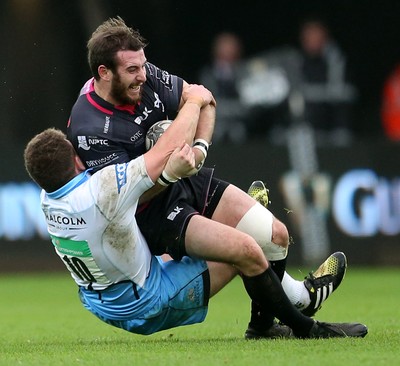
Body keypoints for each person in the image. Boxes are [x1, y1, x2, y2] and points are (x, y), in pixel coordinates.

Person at [67, 16, 348, 339]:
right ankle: (302, 308)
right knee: (247, 248)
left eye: (143, 66)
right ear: (103, 73)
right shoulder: (90, 129)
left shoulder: (144, 77)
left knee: (275, 235)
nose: (143, 76)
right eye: (132, 70)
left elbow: (204, 99)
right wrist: (174, 159)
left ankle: (264, 326)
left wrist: (199, 150)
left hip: (185, 177)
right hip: (151, 212)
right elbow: (126, 199)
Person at [23, 123, 368, 338]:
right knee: (248, 248)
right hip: (150, 303)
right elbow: (159, 160)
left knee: (234, 239)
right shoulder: (100, 192)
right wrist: (193, 100)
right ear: (76, 163)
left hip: (106, 298)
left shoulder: (48, 198)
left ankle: (266, 317)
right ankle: (304, 316)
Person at [297, 18, 357, 146]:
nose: (312, 41)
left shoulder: (336, 60)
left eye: (316, 36)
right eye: (308, 37)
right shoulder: (298, 61)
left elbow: (340, 92)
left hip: (331, 125)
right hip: (307, 125)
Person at [198, 32, 248, 143]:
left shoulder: (244, 72)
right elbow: (209, 101)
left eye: (231, 46)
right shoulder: (208, 74)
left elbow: (247, 102)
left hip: (239, 122)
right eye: (224, 46)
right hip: (216, 121)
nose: (228, 49)